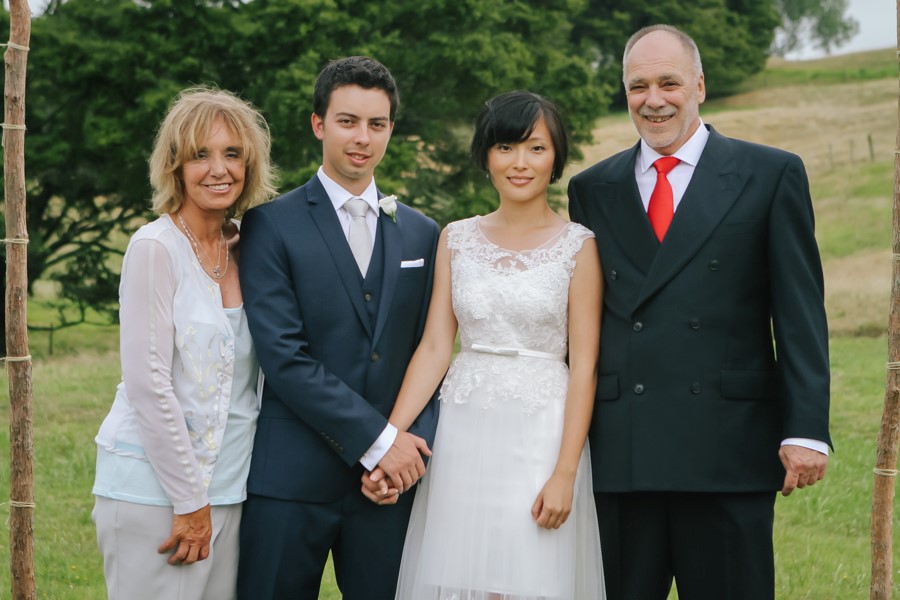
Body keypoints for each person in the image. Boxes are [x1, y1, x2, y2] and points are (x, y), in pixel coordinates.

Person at [568, 24, 831, 600]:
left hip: (727, 446)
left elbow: (799, 310)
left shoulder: (770, 173)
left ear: (700, 86)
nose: (654, 99)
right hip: (622, 449)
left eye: (669, 82)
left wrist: (808, 428)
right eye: (639, 86)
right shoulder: (592, 188)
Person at [362, 90, 605, 599]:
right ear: (486, 155)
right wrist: (387, 439)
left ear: (556, 157)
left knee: (530, 575)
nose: (521, 163)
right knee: (460, 577)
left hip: (542, 431)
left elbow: (584, 367)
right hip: (465, 429)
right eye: (506, 147)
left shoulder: (579, 246)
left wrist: (564, 473)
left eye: (536, 148)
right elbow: (433, 348)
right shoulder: (455, 238)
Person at [235, 56, 440, 599]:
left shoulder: (422, 233)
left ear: (391, 129)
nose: (362, 138)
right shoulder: (269, 225)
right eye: (348, 121)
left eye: (377, 124)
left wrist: (409, 455)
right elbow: (285, 358)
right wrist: (378, 443)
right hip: (290, 480)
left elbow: (432, 353)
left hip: (389, 490)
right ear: (318, 124)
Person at [91, 86, 277, 600]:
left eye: (232, 154)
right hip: (155, 492)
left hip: (231, 490)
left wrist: (214, 501)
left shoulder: (249, 249)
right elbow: (148, 383)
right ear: (175, 165)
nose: (219, 169)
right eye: (201, 155)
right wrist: (189, 500)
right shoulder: (155, 248)